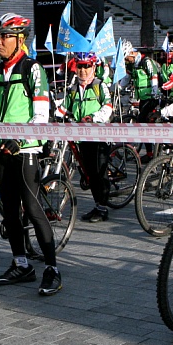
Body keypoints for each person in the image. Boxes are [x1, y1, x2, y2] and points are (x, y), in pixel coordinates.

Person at [0, 13, 61, 296]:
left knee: (32, 208)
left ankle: (52, 269)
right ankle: (21, 264)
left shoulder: (32, 69)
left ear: (19, 39)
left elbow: (41, 115)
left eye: (5, 36)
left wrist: (19, 139)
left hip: (25, 150)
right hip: (2, 150)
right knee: (9, 212)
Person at [55, 50, 114, 223]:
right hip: (82, 136)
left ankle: (102, 208)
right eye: (80, 66)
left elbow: (108, 107)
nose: (83, 70)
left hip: (99, 135)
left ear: (93, 67)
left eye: (87, 66)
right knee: (89, 172)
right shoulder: (73, 89)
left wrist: (93, 118)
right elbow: (64, 108)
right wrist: (54, 115)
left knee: (99, 172)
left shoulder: (99, 85)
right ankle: (97, 204)